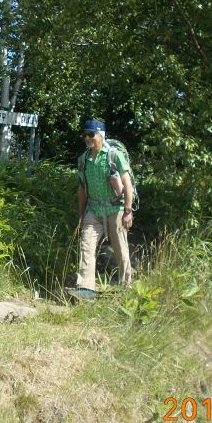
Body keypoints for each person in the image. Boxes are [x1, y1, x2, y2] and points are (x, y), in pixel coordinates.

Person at [71, 118, 134, 299]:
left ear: (101, 135)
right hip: (94, 209)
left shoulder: (114, 155)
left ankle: (126, 287)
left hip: (116, 208)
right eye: (85, 134)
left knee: (120, 248)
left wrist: (128, 211)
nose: (87, 138)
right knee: (86, 245)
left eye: (91, 134)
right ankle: (85, 289)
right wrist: (82, 215)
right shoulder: (83, 159)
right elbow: (82, 188)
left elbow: (127, 184)